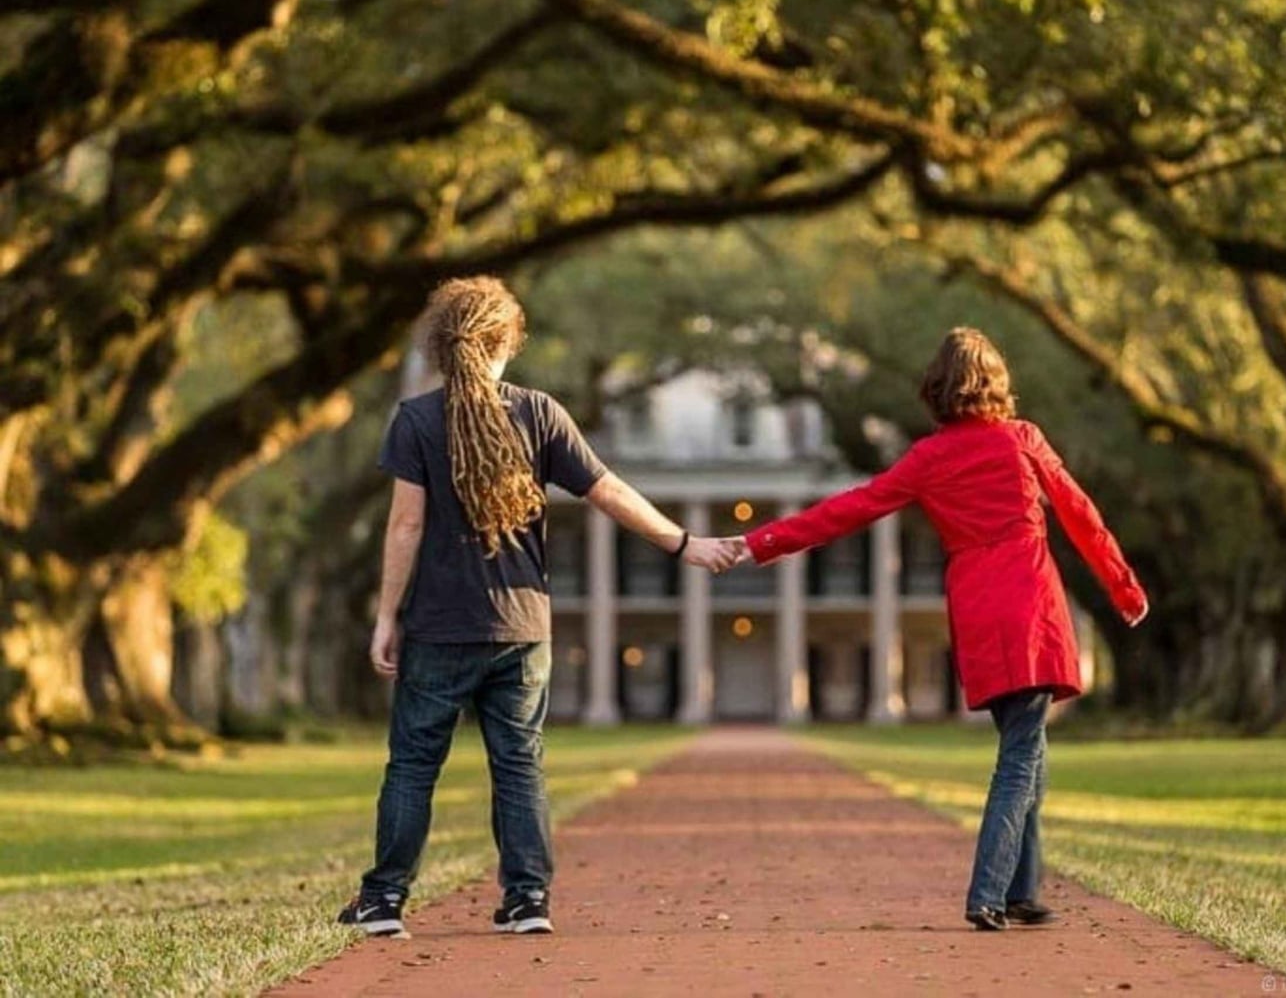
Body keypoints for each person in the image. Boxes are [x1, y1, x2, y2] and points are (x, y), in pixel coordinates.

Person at [339, 276, 740, 939]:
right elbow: (608, 491)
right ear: (506, 343)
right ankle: (528, 900)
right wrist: (683, 542)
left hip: (439, 627)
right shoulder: (539, 413)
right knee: (519, 762)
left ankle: (383, 901)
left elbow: (406, 525)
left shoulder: (416, 419)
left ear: (442, 345)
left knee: (413, 763)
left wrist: (386, 616)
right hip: (523, 629)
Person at [733, 327, 1148, 931]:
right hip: (1030, 603)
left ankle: (1021, 890)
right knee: (1021, 755)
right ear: (996, 383)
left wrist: (761, 541)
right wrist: (1124, 588)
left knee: (1028, 746)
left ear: (937, 389)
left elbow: (850, 508)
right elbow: (1080, 512)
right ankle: (988, 893)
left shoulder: (929, 458)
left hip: (976, 606)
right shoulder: (1022, 439)